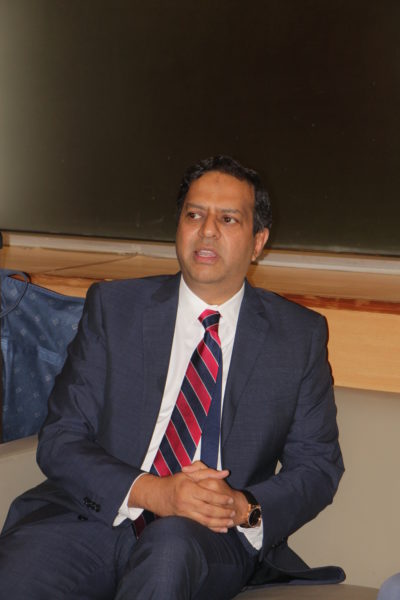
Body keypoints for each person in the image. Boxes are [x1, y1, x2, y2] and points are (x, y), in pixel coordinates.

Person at [0, 155, 344, 599]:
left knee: (169, 549)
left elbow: (317, 466)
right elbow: (61, 437)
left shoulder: (296, 336)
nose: (207, 231)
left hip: (208, 537)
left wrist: (242, 507)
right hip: (96, 515)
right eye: (194, 215)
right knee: (21, 572)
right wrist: (155, 493)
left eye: (228, 219)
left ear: (258, 241)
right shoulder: (116, 309)